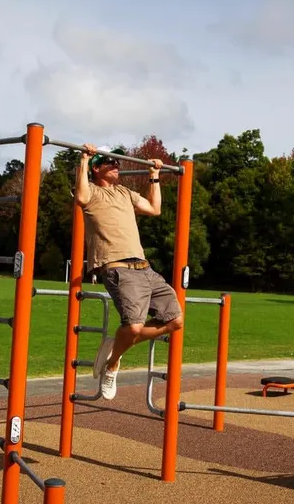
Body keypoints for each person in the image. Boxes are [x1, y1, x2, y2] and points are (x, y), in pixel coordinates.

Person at [75, 144, 183, 401]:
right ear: (96, 169)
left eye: (117, 162)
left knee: (175, 321)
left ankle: (117, 343)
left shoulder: (124, 192)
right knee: (133, 327)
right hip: (118, 268)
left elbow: (154, 209)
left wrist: (154, 175)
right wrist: (83, 159)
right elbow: (79, 197)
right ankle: (112, 366)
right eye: (109, 162)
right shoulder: (91, 192)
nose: (116, 166)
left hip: (145, 268)